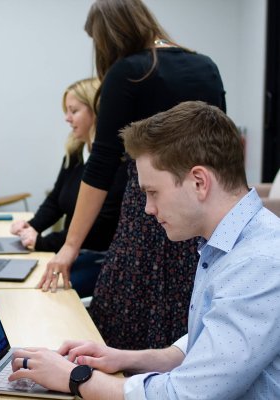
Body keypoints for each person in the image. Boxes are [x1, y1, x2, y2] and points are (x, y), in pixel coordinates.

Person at [9, 101, 280, 399]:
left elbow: (187, 394)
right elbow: (211, 342)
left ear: (199, 182)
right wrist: (125, 357)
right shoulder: (233, 241)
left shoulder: (261, 262)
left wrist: (75, 378)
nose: (149, 209)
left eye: (153, 192)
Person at [39, 0, 227, 350]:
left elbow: (101, 166)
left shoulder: (128, 72)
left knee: (125, 324)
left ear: (108, 34)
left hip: (148, 216)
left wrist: (69, 246)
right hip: (203, 211)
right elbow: (222, 152)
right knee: (188, 325)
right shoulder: (206, 66)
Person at [10, 78, 127, 298]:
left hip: (101, 258)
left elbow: (100, 227)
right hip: (73, 251)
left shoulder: (119, 164)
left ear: (96, 112)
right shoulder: (76, 153)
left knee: (42, 290)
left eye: (73, 111)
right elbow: (56, 200)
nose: (67, 118)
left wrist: (43, 243)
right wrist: (32, 226)